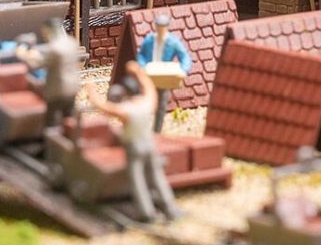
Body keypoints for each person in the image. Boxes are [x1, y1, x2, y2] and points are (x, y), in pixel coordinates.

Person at [81, 61, 178, 222]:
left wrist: (91, 91)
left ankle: (147, 213)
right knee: (157, 176)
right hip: (149, 144)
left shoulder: (126, 110)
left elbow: (103, 107)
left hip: (135, 147)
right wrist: (139, 73)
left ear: (125, 93)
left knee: (137, 180)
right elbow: (150, 90)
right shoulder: (146, 104)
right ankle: (170, 208)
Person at [16, 18, 83, 144]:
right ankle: (71, 140)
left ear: (50, 31)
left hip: (58, 89)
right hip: (73, 86)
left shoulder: (54, 48)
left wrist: (24, 55)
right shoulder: (72, 43)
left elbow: (36, 64)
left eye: (45, 33)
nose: (44, 36)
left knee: (51, 120)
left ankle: (51, 146)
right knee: (69, 116)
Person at [136, 11, 192, 132]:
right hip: (150, 75)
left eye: (163, 27)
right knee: (145, 102)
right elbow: (141, 55)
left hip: (164, 76)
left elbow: (185, 57)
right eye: (159, 27)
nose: (161, 29)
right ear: (156, 27)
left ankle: (157, 131)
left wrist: (183, 70)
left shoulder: (173, 42)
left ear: (167, 27)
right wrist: (143, 66)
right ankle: (143, 129)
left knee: (161, 105)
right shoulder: (149, 40)